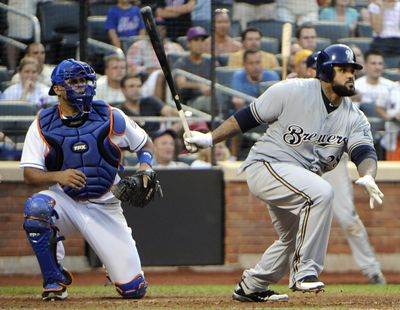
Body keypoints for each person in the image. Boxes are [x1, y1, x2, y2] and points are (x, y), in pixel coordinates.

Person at [184, 44, 384, 302]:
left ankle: (251, 286)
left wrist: (368, 174)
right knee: (322, 194)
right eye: (343, 69)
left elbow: (364, 152)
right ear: (325, 72)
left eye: (352, 70)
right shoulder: (291, 91)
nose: (350, 75)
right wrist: (210, 139)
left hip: (299, 179)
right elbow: (246, 118)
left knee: (292, 237)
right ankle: (304, 272)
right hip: (266, 166)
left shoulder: (354, 117)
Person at [20, 58, 153, 301]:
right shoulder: (42, 123)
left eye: (85, 80)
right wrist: (59, 176)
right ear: (58, 88)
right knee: (37, 209)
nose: (82, 86)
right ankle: (54, 279)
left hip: (105, 204)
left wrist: (146, 167)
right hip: (65, 200)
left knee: (133, 290)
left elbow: (144, 143)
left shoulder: (110, 115)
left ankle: (114, 269)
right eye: (74, 81)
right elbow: (30, 174)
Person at [306, 51, 387, 284]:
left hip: (333, 163)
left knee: (347, 217)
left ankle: (372, 270)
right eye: (311, 69)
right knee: (298, 220)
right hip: (302, 162)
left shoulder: (341, 99)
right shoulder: (298, 95)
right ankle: (300, 268)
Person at [173, 26, 213, 112]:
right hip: (190, 102)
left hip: (210, 97)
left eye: (202, 40)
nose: (200, 43)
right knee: (209, 102)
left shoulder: (211, 62)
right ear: (188, 43)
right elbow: (181, 83)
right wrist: (199, 85)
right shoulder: (181, 63)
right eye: (196, 40)